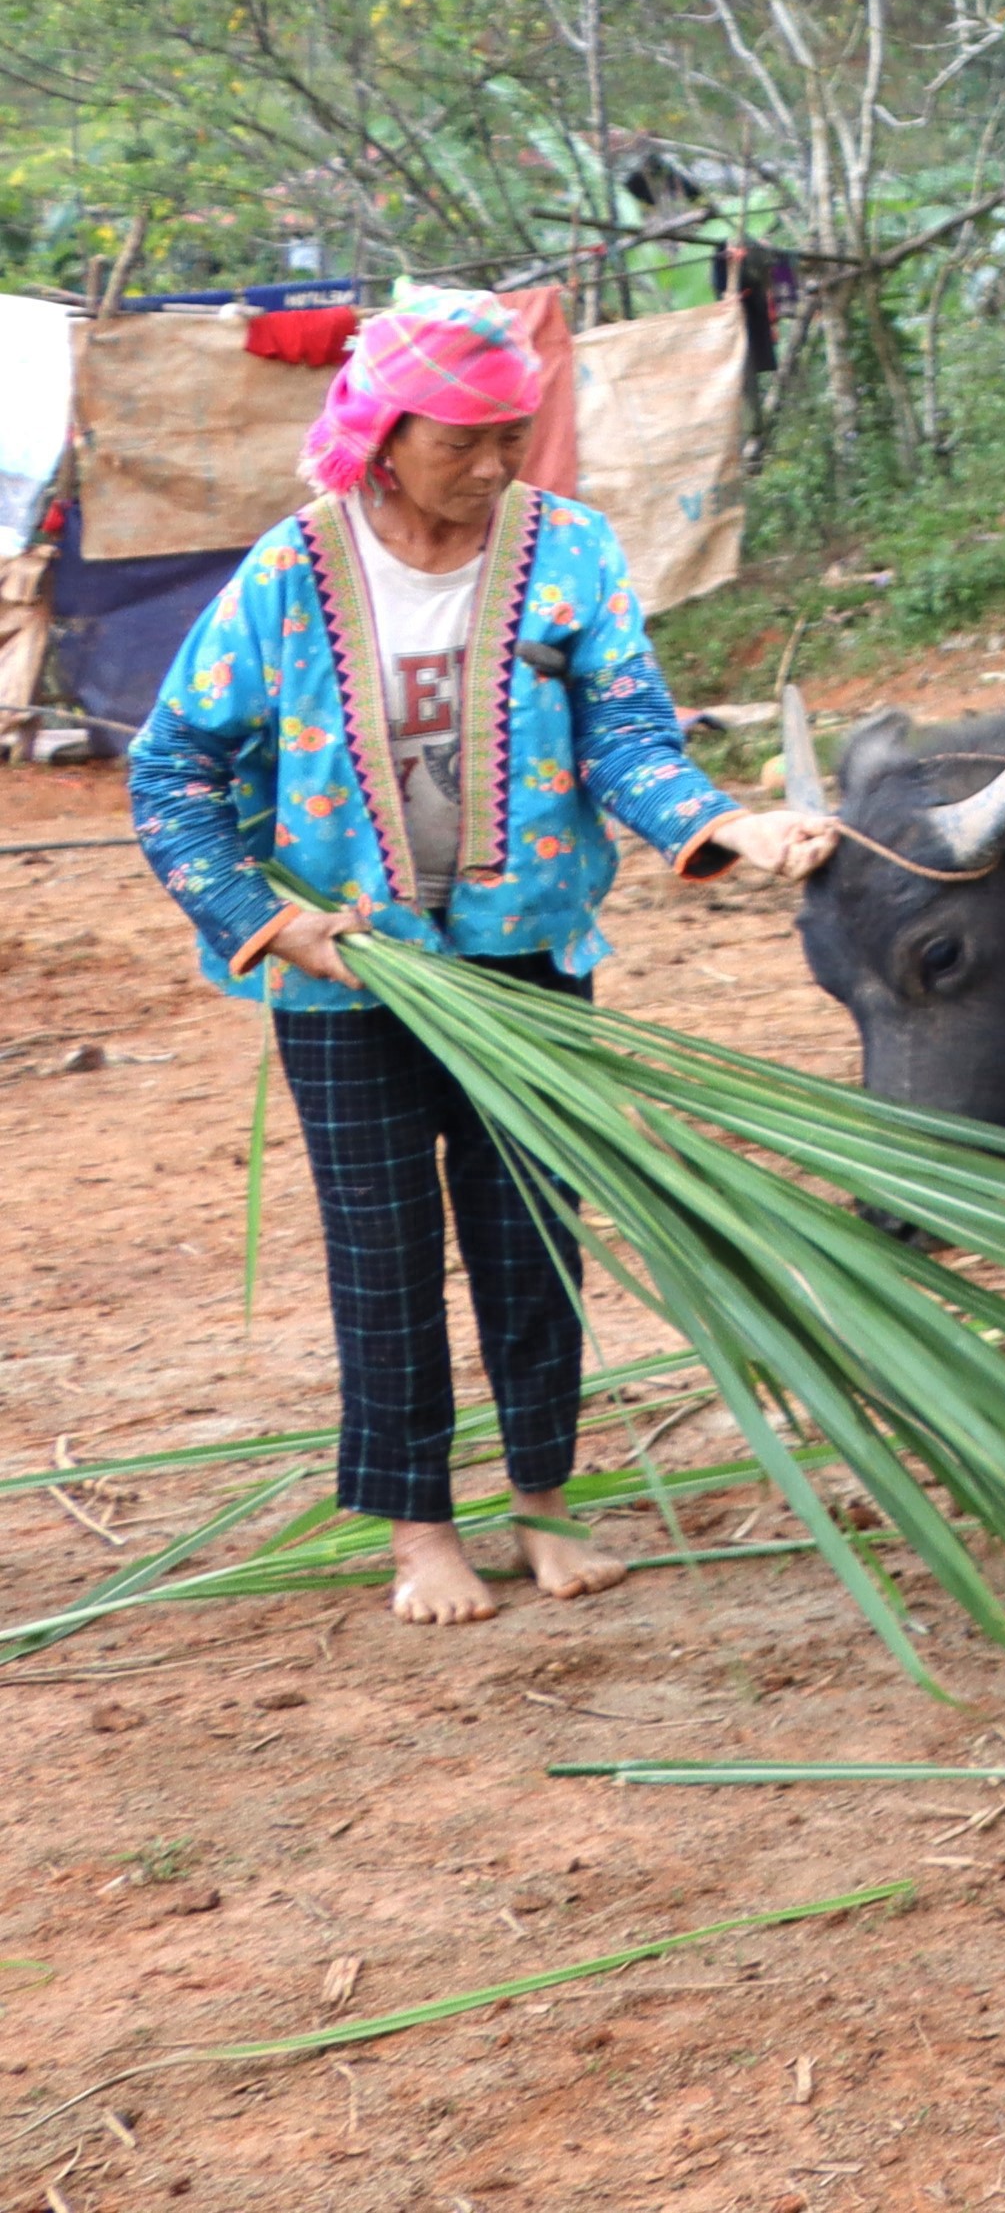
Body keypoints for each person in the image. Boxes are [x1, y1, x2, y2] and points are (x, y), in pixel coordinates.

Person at [129, 288, 841, 1628]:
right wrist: (263, 917)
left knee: (532, 1240)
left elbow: (630, 738)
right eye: (465, 441)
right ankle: (420, 1531)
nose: (496, 463)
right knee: (384, 1251)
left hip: (526, 959)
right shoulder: (292, 571)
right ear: (381, 433)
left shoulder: (567, 550)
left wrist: (724, 823)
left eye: (512, 435)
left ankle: (543, 1505)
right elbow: (173, 769)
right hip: (348, 977)